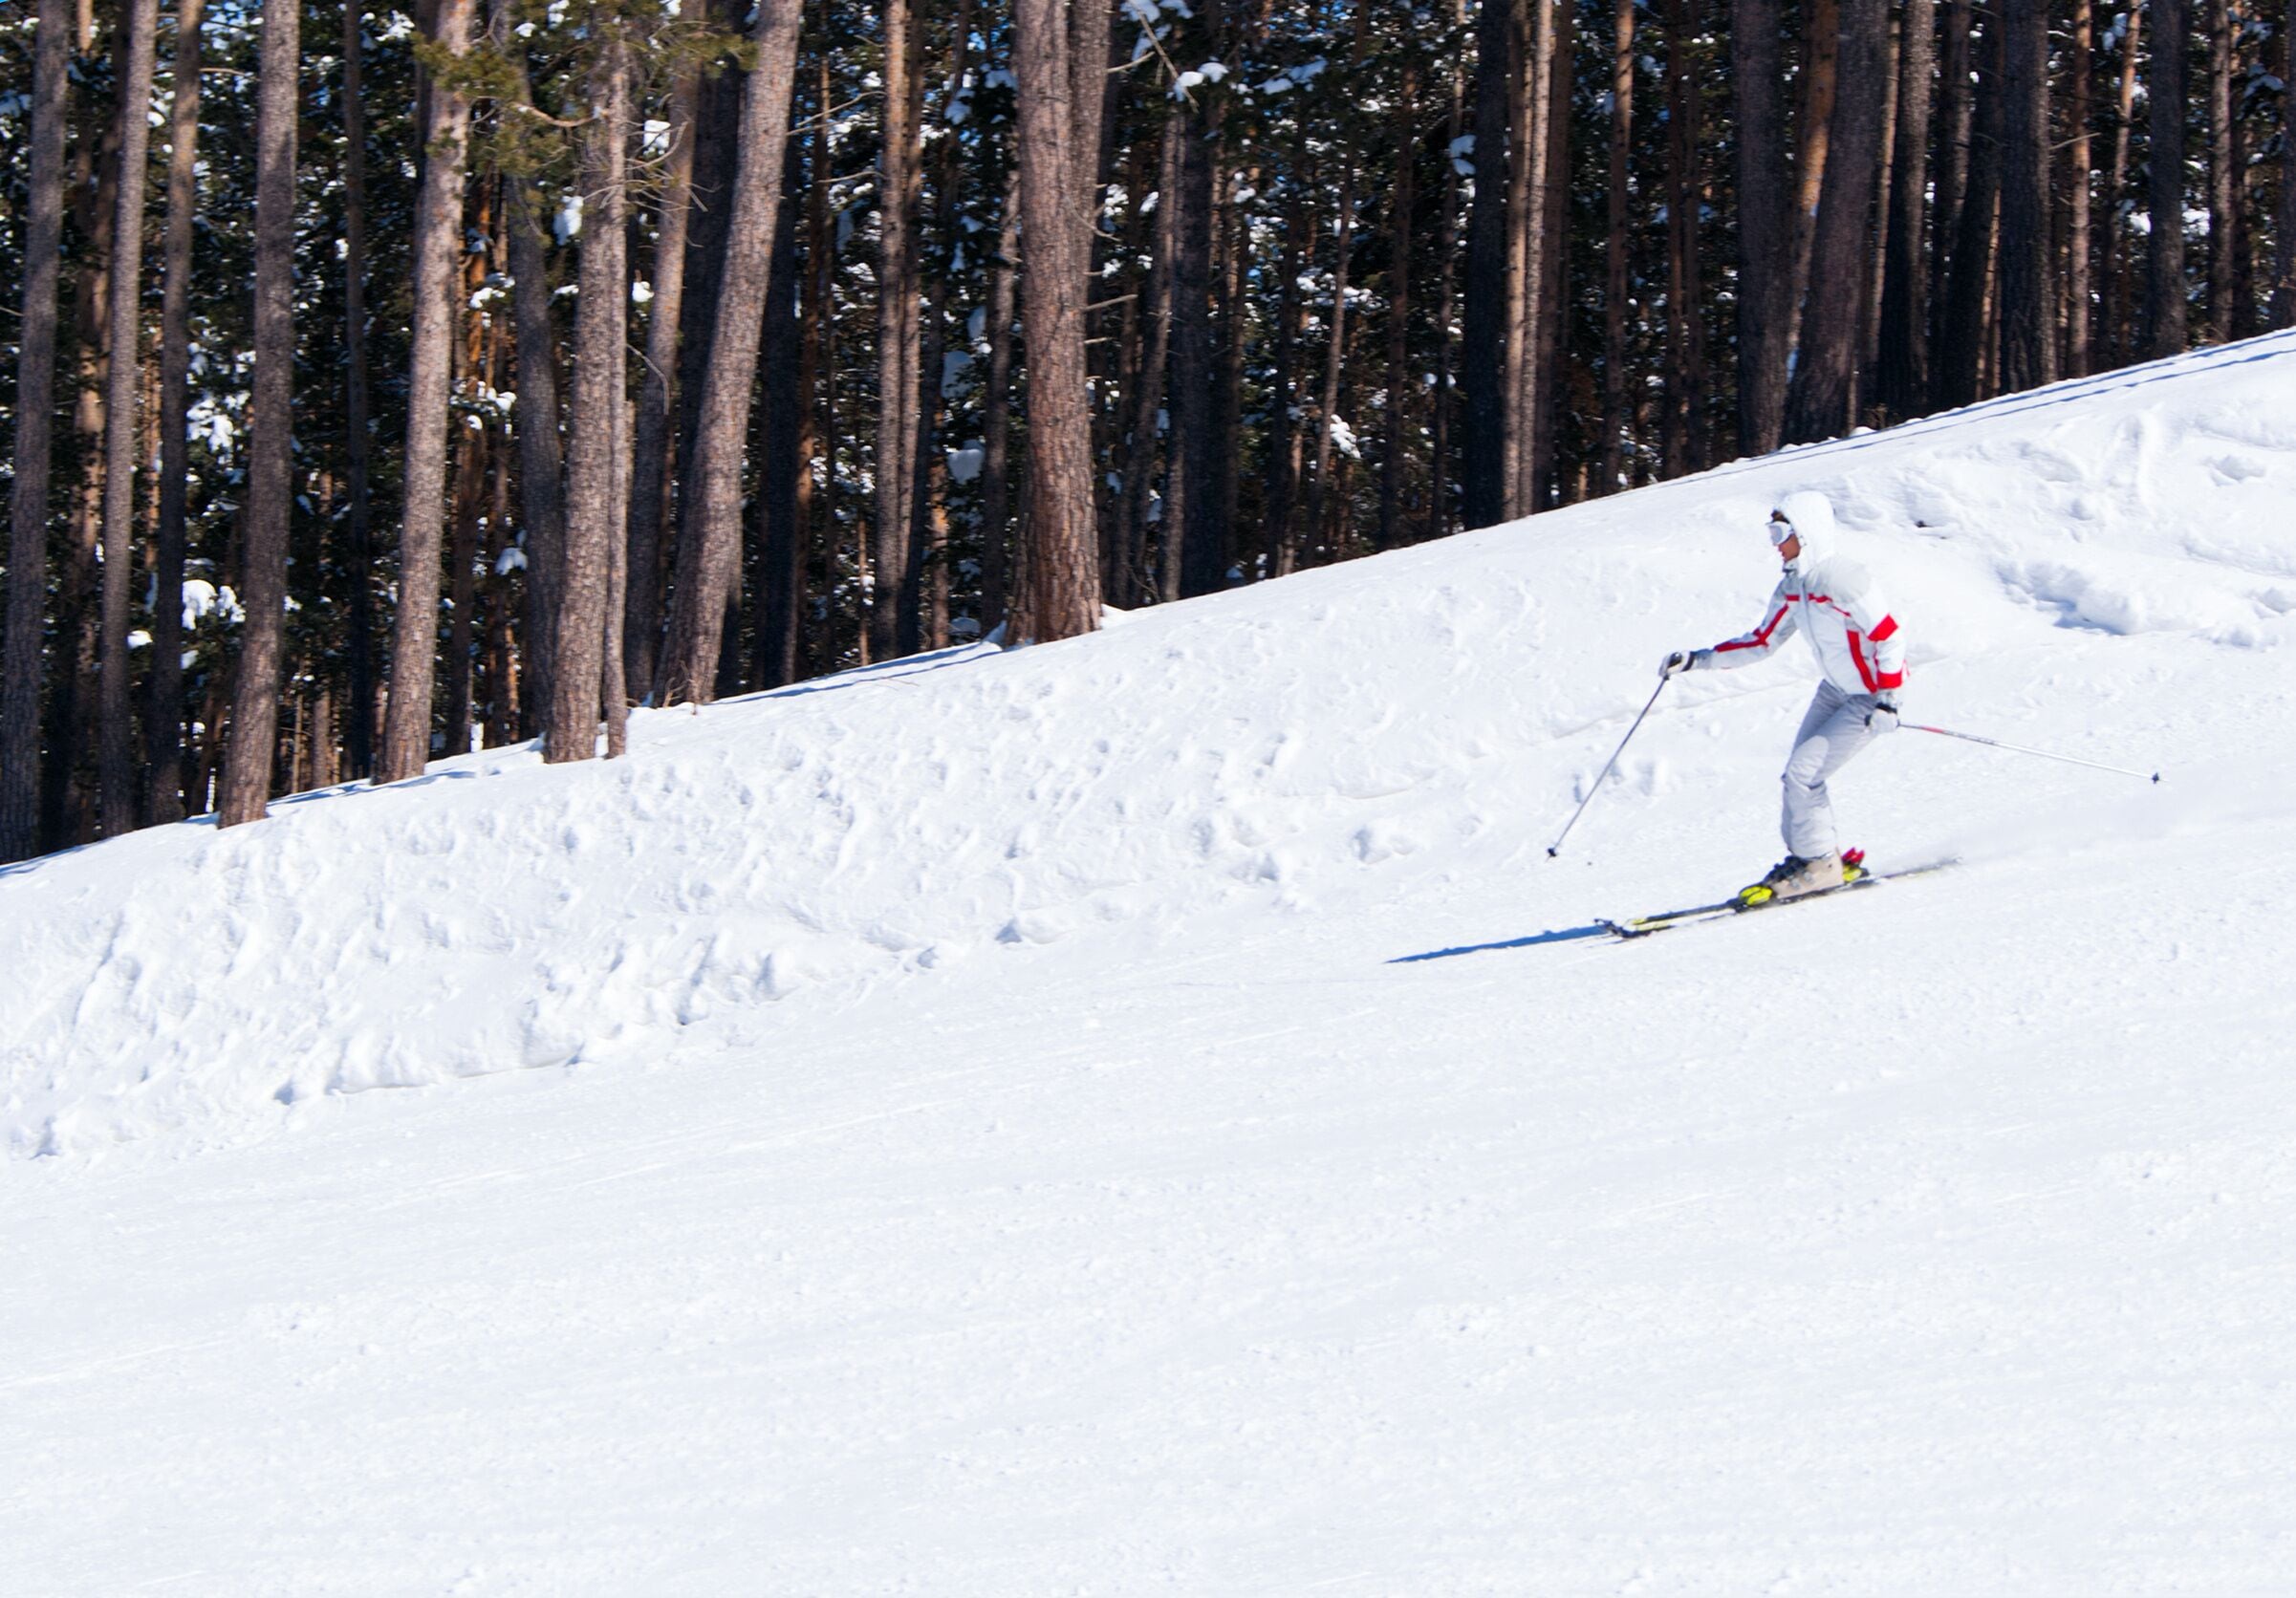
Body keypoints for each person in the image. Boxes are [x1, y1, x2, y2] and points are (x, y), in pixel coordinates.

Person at [1659, 489, 1907, 901]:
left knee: (1803, 775)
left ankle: (1819, 864)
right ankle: (1810, 857)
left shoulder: (1843, 580)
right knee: (1798, 775)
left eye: (1780, 532)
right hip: (1835, 691)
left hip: (1868, 696)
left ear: (1805, 532)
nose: (1775, 544)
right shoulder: (1794, 587)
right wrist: (1697, 660)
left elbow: (1890, 637)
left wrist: (1889, 700)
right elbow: (1762, 642)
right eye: (1771, 533)